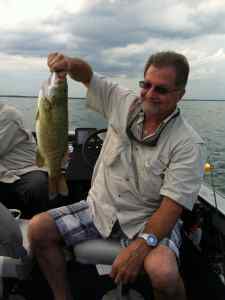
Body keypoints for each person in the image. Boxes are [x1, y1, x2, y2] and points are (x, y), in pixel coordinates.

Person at [28, 51, 206, 300]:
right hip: (100, 208)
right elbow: (87, 75)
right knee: (37, 229)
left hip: (148, 219)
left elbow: (171, 208)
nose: (150, 94)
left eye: (161, 90)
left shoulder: (188, 144)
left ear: (180, 94)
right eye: (146, 84)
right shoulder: (122, 101)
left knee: (163, 273)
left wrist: (140, 248)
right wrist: (68, 65)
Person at [0, 103, 49, 218]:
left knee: (36, 187)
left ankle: (37, 228)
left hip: (25, 169)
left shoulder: (8, 115)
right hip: (4, 171)